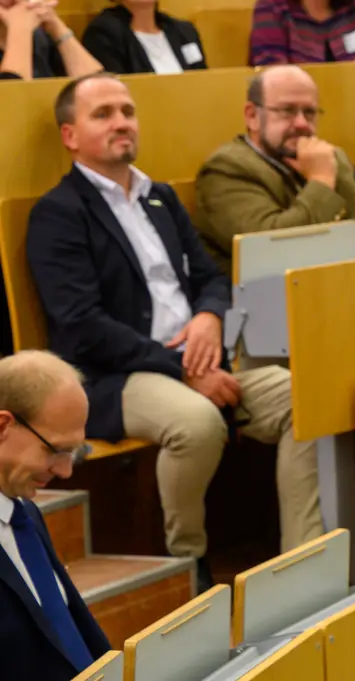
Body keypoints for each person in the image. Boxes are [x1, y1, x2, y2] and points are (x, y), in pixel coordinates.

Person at [27, 74, 323, 574]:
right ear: (69, 136)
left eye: (126, 111)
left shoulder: (159, 197)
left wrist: (209, 316)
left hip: (202, 360)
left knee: (308, 399)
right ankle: (188, 564)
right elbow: (81, 326)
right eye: (102, 114)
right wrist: (181, 365)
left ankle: (302, 563)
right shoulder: (58, 214)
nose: (121, 122)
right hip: (113, 377)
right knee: (197, 423)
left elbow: (212, 276)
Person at [194, 65, 355, 274]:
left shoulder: (327, 157)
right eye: (287, 111)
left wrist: (341, 243)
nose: (302, 123)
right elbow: (274, 250)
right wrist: (320, 181)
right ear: (252, 116)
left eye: (309, 112)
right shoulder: (227, 169)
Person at [0, 350, 113, 681]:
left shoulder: (24, 514)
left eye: (74, 453)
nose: (65, 472)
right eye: (55, 450)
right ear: (3, 425)